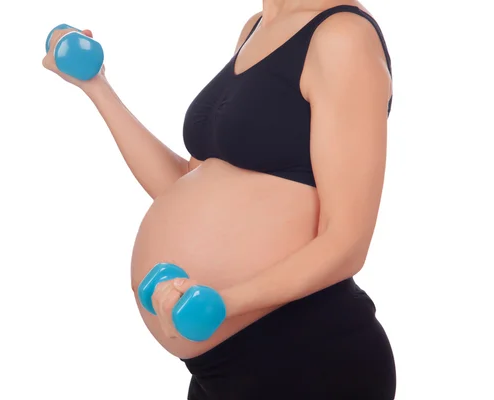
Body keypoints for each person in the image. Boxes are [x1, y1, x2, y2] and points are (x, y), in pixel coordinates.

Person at [43, 0, 396, 398]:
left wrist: (224, 304)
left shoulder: (342, 37)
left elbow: (347, 241)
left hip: (306, 357)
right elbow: (185, 183)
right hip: (218, 368)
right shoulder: (256, 28)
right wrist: (97, 87)